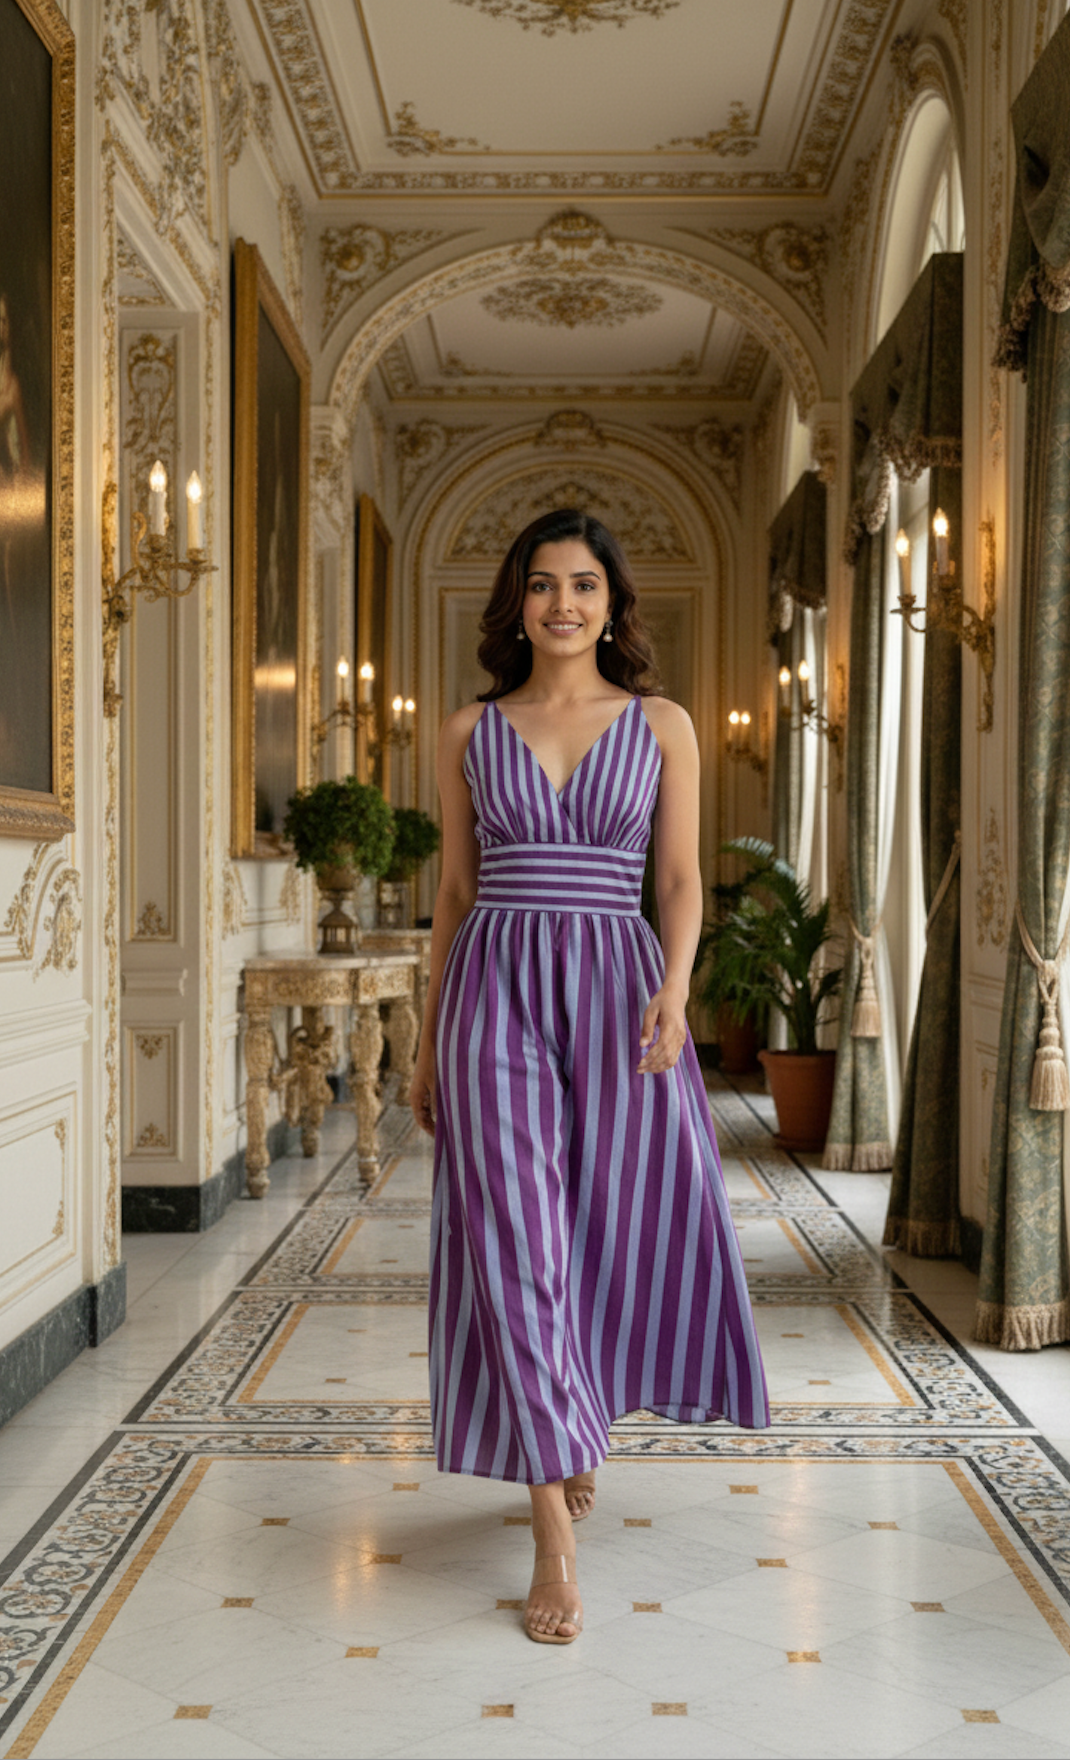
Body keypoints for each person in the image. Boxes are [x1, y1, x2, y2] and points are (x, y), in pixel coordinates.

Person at [409, 507, 768, 1647]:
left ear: (613, 604)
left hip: (620, 993)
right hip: (493, 989)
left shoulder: (662, 724)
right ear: (515, 602)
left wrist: (677, 987)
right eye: (541, 584)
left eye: (583, 584)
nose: (561, 602)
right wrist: (426, 1039)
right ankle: (551, 1533)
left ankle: (573, 1418)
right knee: (512, 1239)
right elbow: (455, 895)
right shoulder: (468, 729)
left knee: (608, 1227)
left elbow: (678, 881)